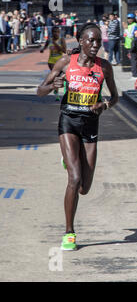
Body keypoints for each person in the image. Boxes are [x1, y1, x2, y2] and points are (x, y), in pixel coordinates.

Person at [36, 22, 119, 251]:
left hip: (91, 127)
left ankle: (69, 159)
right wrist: (53, 84)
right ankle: (69, 232)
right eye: (90, 40)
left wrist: (105, 105)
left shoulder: (104, 67)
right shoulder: (66, 62)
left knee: (84, 188)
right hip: (68, 123)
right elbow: (39, 91)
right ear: (80, 41)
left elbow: (115, 97)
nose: (95, 45)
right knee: (73, 179)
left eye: (98, 41)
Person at [40, 26, 67, 100]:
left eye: (57, 32)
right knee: (56, 76)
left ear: (59, 32)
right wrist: (42, 49)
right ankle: (57, 93)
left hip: (60, 61)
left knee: (63, 76)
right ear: (52, 33)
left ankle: (58, 90)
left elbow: (64, 50)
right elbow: (45, 46)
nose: (56, 33)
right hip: (51, 61)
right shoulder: (49, 40)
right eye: (54, 32)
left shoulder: (61, 40)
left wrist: (56, 44)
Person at [124, 13, 137, 78]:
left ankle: (135, 75)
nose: (129, 20)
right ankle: (134, 74)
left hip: (132, 45)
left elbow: (131, 35)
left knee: (133, 60)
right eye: (128, 18)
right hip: (128, 45)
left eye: (130, 18)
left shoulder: (134, 25)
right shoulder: (129, 26)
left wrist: (125, 29)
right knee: (131, 60)